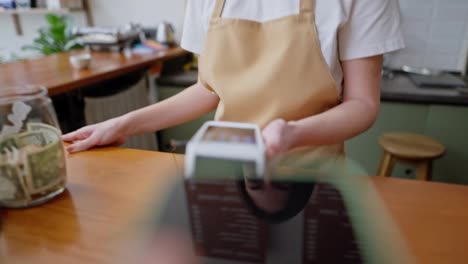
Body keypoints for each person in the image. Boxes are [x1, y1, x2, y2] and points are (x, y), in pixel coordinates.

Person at [63, 0, 404, 158]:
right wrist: (123, 124)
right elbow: (207, 90)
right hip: (223, 170)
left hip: (310, 175)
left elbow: (362, 103)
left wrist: (293, 133)